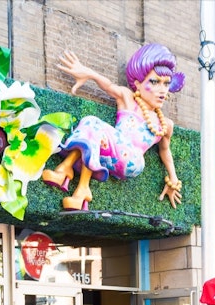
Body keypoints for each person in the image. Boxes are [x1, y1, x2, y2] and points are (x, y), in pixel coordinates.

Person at [42, 44, 185, 211]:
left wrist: (173, 180)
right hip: (111, 151)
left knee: (92, 123)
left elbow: (165, 150)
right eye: (154, 82)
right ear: (138, 84)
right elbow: (108, 86)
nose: (162, 90)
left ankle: (67, 170)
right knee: (91, 140)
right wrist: (88, 73)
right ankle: (79, 191)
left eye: (166, 83)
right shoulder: (128, 99)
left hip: (133, 162)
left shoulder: (165, 124)